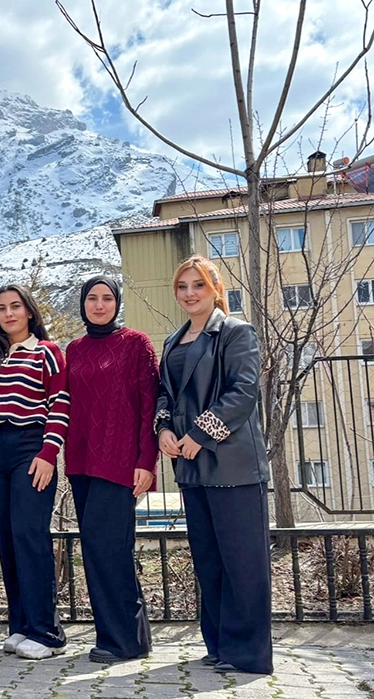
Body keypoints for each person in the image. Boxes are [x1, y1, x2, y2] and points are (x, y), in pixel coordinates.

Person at [155, 255, 273, 675]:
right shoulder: (172, 341)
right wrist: (163, 429)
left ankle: (248, 654)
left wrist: (199, 434)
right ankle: (221, 645)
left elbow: (243, 393)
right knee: (209, 561)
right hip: (191, 468)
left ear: (216, 289)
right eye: (182, 286)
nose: (190, 293)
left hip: (233, 465)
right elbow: (164, 394)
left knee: (243, 563)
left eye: (199, 285)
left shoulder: (236, 332)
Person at [0, 284, 69, 660]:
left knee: (30, 535)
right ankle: (21, 625)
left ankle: (47, 632)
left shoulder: (47, 352)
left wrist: (49, 453)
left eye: (15, 306)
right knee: (7, 539)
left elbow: (60, 402)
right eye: (1, 308)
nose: (9, 314)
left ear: (29, 311)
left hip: (29, 447)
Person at [65, 276, 157, 663]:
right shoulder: (74, 349)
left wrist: (147, 461)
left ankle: (125, 642)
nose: (99, 305)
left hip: (120, 464)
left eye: (107, 298)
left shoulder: (136, 343)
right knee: (95, 550)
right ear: (83, 304)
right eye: (92, 298)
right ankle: (122, 638)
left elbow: (150, 405)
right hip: (81, 463)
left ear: (117, 303)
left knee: (112, 549)